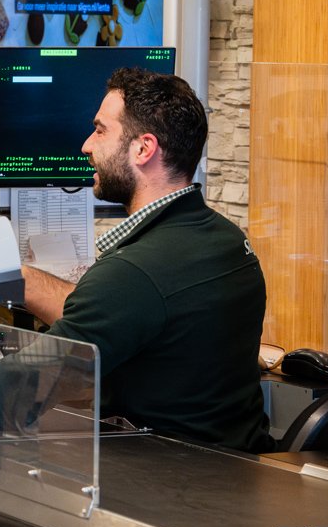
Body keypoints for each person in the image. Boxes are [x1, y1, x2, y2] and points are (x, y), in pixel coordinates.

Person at [20, 67, 274, 453]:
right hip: (233, 465)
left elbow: (25, 384)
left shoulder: (136, 271)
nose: (86, 146)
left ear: (143, 149)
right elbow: (121, 311)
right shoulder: (225, 238)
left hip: (164, 477)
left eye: (100, 130)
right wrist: (18, 279)